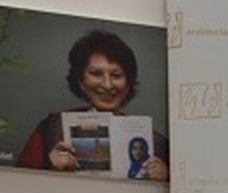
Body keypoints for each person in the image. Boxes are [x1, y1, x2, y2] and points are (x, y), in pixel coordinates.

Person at [17, 29, 168, 181]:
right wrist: (48, 167)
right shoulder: (50, 129)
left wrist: (167, 181)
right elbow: (16, 184)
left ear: (128, 83)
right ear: (80, 81)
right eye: (96, 74)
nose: (107, 85)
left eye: (116, 76)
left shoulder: (158, 144)